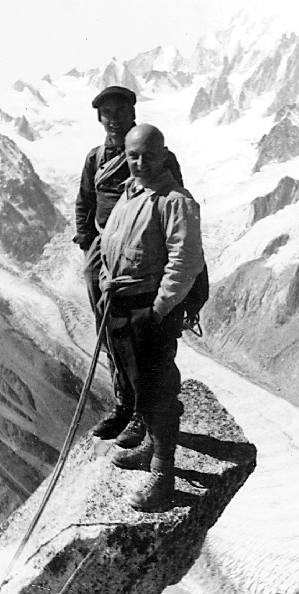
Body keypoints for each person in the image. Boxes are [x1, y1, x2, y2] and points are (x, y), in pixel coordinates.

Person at [98, 123, 204, 511]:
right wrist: (109, 280)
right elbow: (113, 244)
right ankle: (150, 450)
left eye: (148, 155)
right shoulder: (131, 193)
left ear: (163, 154)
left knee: (157, 389)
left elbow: (185, 261)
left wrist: (159, 309)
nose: (140, 163)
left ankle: (163, 473)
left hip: (147, 307)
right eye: (133, 156)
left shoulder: (175, 201)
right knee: (137, 382)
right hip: (122, 303)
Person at [73, 86, 183, 441]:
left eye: (120, 112)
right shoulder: (95, 158)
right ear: (100, 119)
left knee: (147, 335)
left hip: (142, 253)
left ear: (132, 114)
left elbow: (172, 204)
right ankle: (125, 404)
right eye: (108, 114)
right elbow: (85, 203)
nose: (114, 120)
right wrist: (91, 244)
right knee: (111, 331)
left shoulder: (154, 154)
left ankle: (147, 409)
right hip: (105, 249)